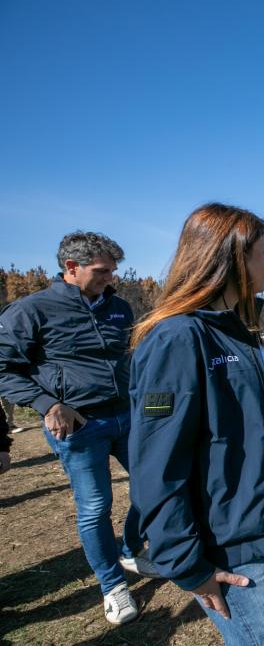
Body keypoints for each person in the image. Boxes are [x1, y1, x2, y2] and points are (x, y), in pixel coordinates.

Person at [127, 203, 264, 645]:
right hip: (226, 541)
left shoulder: (234, 329)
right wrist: (189, 566)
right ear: (229, 257)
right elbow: (156, 466)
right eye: (263, 253)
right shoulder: (177, 338)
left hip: (259, 517)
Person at [0, 231, 156, 625]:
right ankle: (112, 584)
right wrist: (47, 404)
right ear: (71, 268)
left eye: (113, 270)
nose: (111, 278)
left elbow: (132, 357)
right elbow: (4, 368)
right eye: (102, 271)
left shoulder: (119, 307)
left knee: (154, 487)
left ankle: (133, 548)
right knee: (95, 507)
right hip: (80, 425)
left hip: (127, 414)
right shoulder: (31, 310)